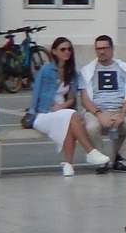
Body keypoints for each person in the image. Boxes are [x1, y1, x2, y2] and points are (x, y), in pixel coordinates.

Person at [30, 37, 109, 176]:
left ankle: (68, 166)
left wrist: (62, 106)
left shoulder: (72, 73)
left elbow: (72, 98)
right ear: (54, 51)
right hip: (43, 113)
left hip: (62, 111)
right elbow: (36, 92)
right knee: (71, 116)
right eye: (63, 49)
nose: (67, 52)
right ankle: (90, 152)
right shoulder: (45, 70)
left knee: (69, 119)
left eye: (69, 49)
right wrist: (32, 112)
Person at [80, 34, 126, 172]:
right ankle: (102, 161)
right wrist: (99, 114)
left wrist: (122, 114)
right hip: (96, 111)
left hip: (119, 110)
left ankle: (120, 159)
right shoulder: (87, 71)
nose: (101, 52)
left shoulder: (124, 69)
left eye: (105, 48)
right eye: (98, 49)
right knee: (91, 128)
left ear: (112, 49)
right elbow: (84, 99)